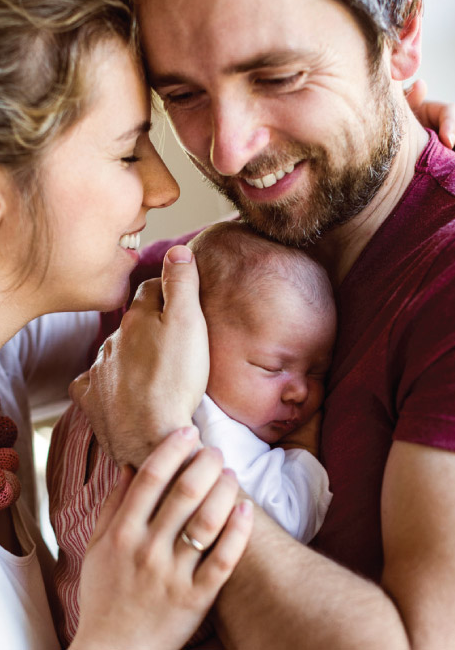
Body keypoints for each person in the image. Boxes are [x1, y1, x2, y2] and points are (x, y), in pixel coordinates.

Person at [69, 0, 455, 647]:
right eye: (183, 94)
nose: (227, 148)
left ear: (401, 33)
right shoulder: (173, 283)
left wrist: (166, 443)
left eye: (277, 76)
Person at [0, 0, 254, 650]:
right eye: (129, 152)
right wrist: (125, 634)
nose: (163, 189)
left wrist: (388, 177)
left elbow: (202, 278)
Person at [48, 220, 335, 644]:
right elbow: (287, 518)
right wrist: (302, 442)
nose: (300, 391)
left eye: (318, 371)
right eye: (273, 368)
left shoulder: (98, 385)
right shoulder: (217, 433)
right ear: (193, 334)